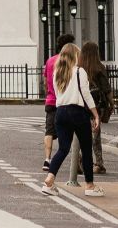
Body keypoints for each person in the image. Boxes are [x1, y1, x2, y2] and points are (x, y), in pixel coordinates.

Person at [43, 42, 102, 197]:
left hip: (60, 112)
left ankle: (49, 179)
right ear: (76, 55)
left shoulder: (57, 73)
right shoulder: (79, 71)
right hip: (77, 112)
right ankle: (89, 185)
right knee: (86, 149)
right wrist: (95, 114)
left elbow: (57, 95)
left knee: (63, 149)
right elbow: (86, 94)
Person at [42, 31, 74, 170]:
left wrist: (49, 93)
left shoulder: (50, 61)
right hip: (66, 102)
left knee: (49, 131)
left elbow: (45, 81)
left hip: (51, 100)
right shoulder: (70, 61)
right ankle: (74, 161)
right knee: (70, 131)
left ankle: (47, 158)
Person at [81, 41, 113, 175]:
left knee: (80, 134)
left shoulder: (80, 68)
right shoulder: (99, 68)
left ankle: (80, 161)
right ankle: (99, 163)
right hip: (96, 106)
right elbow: (106, 89)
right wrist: (111, 103)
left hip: (82, 105)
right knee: (95, 135)